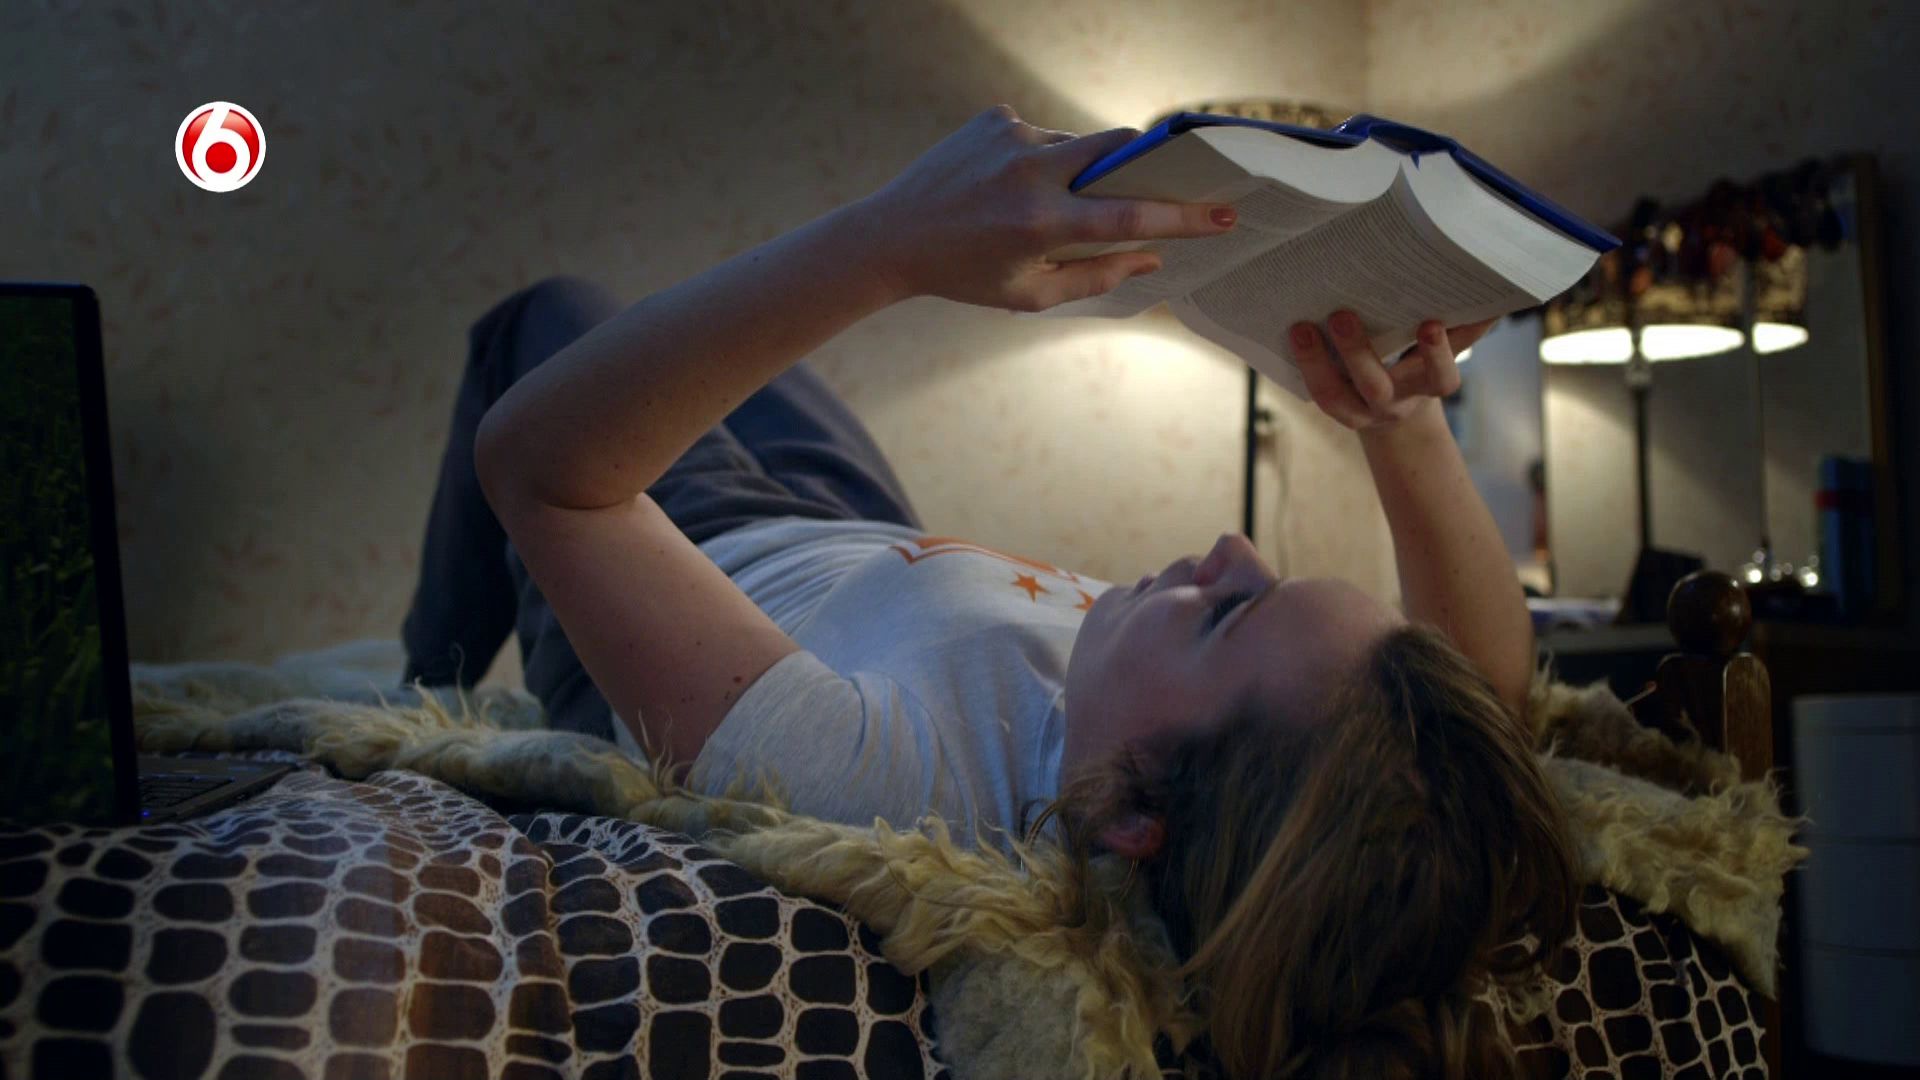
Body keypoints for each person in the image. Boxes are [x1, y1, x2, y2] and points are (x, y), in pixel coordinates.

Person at [402, 105, 1577, 1080]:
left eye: (1230, 613)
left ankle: (418, 674)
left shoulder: (897, 790)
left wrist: (890, 242)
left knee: (546, 320)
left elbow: (542, 472)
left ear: (1137, 816)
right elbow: (1483, 684)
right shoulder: (1295, 760)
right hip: (868, 533)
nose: (1229, 548)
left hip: (709, 553)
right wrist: (1405, 423)